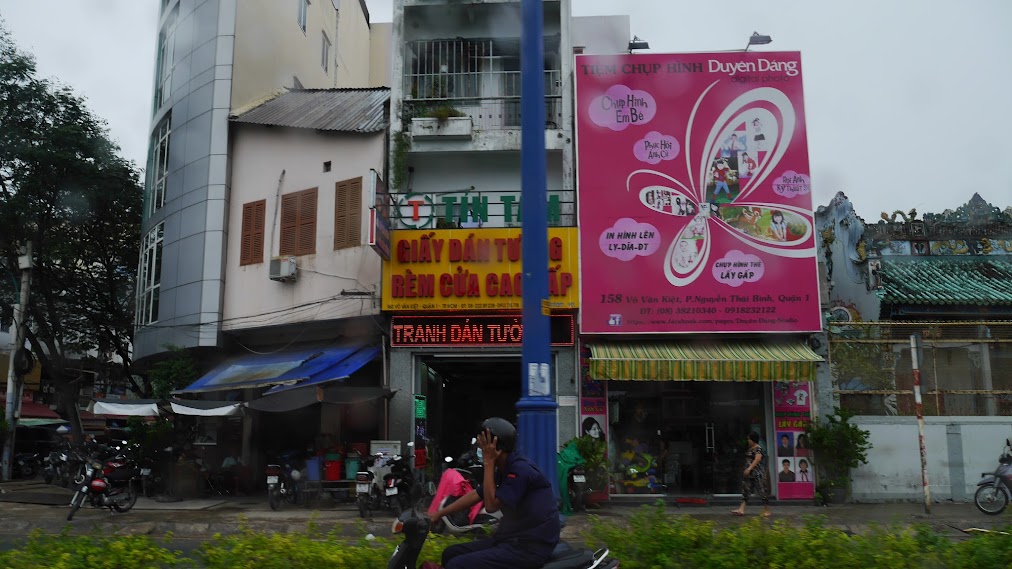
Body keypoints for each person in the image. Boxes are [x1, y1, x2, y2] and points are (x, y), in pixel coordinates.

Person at [430, 418, 560, 569]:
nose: (479, 447)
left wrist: (488, 463)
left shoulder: (520, 471)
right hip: (511, 539)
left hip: (529, 547)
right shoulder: (504, 468)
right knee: (450, 553)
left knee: (456, 565)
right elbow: (476, 494)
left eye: (483, 444)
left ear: (497, 447)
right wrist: (439, 514)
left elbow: (491, 506)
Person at [731, 431, 770, 518]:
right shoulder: (750, 448)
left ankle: (767, 510)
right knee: (746, 490)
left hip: (757, 473)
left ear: (753, 439)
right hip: (749, 474)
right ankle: (741, 509)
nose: (748, 441)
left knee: (762, 491)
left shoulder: (758, 448)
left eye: (749, 439)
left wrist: (749, 468)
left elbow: (757, 459)